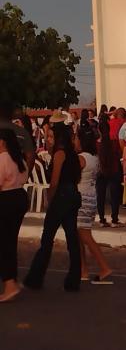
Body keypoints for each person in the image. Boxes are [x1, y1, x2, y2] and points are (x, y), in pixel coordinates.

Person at [24, 124, 82, 292]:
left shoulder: (59, 154)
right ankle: (74, 279)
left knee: (47, 238)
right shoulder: (72, 155)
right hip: (72, 194)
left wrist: (49, 198)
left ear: (59, 138)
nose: (48, 140)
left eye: (50, 137)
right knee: (72, 239)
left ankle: (35, 277)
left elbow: (55, 180)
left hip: (61, 196)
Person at [74, 128, 113, 284]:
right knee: (80, 235)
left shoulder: (81, 158)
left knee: (84, 236)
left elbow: (72, 176)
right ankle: (83, 270)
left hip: (81, 198)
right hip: (90, 196)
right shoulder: (94, 158)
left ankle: (104, 267)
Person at [0, 129, 29, 302]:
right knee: (10, 241)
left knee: (5, 243)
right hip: (19, 197)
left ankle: (9, 282)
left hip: (6, 199)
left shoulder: (3, 158)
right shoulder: (18, 158)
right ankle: (12, 280)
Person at [96, 121, 123, 227]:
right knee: (114, 195)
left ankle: (102, 219)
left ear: (99, 130)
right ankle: (114, 219)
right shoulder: (114, 143)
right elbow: (119, 154)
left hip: (101, 170)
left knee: (100, 196)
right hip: (114, 169)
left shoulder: (97, 143)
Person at [0, 101, 35, 172]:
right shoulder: (22, 132)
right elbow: (30, 158)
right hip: (15, 177)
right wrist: (23, 177)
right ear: (12, 113)